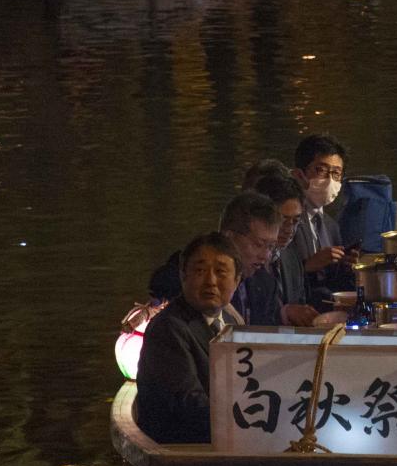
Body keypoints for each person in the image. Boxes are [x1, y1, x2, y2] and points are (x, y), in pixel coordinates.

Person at [135, 233, 244, 444]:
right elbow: (188, 405)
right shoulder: (169, 329)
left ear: (237, 280)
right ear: (183, 275)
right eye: (200, 271)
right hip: (182, 452)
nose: (210, 281)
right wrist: (250, 422)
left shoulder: (231, 321)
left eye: (221, 272)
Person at [148, 191, 284, 328]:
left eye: (271, 247)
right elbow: (164, 282)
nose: (266, 255)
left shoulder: (265, 284)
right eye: (259, 244)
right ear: (229, 237)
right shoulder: (188, 275)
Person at [251, 170, 320, 325]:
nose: (289, 229)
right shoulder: (246, 260)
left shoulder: (291, 256)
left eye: (295, 221)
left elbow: (301, 303)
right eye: (283, 219)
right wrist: (283, 313)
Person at [290, 133, 348, 278]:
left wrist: (345, 265)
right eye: (321, 170)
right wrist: (308, 266)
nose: (329, 180)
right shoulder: (287, 221)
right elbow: (275, 273)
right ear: (298, 174)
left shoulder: (331, 226)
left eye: (336, 173)